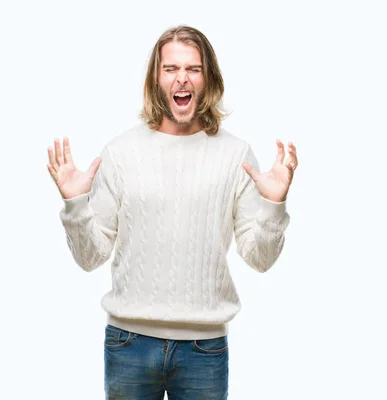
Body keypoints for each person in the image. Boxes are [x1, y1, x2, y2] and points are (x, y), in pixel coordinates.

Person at [46, 25, 297, 400]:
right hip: (128, 344)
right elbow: (89, 258)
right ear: (156, 78)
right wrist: (75, 205)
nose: (182, 78)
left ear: (208, 77)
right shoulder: (120, 152)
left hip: (204, 350)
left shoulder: (236, 156)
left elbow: (259, 260)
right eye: (171, 68)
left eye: (193, 68)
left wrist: (274, 206)